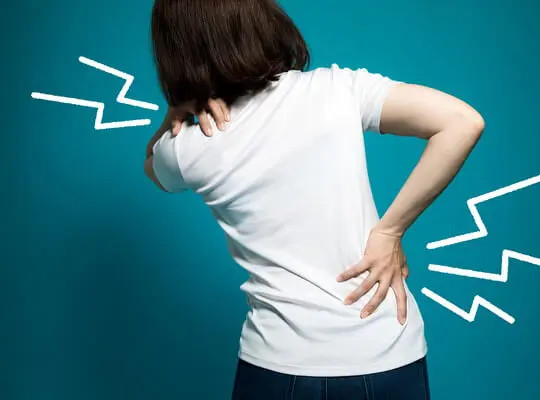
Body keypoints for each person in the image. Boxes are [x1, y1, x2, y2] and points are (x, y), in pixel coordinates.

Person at [145, 1, 484, 398]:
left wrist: (174, 112)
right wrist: (390, 232)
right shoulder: (336, 90)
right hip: (387, 349)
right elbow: (462, 122)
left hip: (279, 363)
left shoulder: (187, 148)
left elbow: (153, 167)